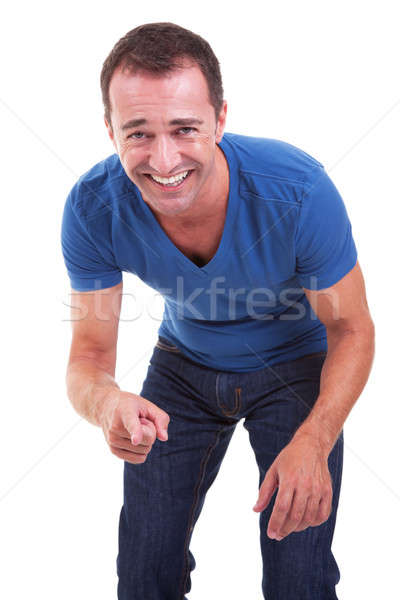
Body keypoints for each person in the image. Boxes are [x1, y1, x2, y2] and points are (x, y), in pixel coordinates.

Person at [61, 22, 375, 600]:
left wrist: (316, 439)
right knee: (142, 574)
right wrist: (108, 402)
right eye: (137, 134)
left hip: (295, 367)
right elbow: (88, 355)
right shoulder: (91, 208)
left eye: (185, 129)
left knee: (297, 578)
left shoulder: (299, 192)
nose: (163, 159)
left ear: (220, 120)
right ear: (110, 131)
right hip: (182, 366)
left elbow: (352, 328)